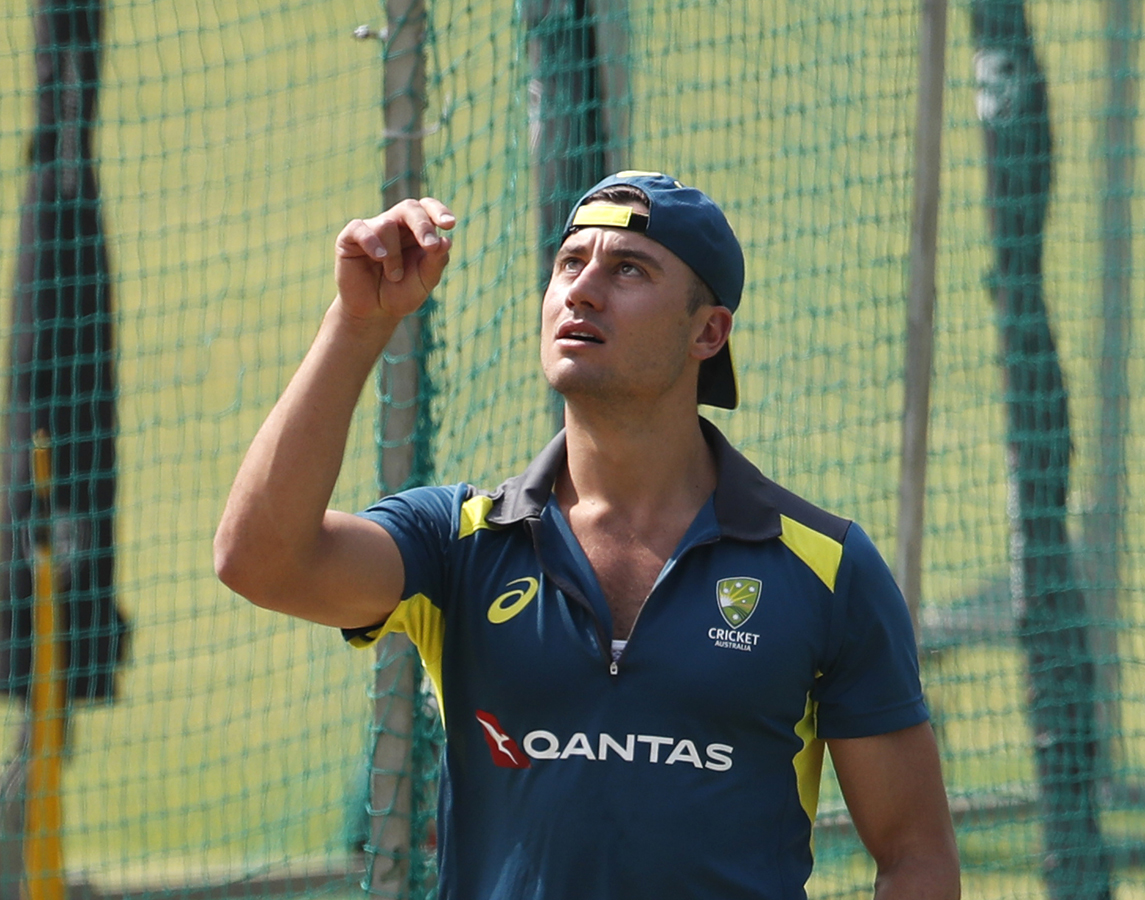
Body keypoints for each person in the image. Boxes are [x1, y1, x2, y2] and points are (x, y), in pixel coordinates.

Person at [214, 171, 960, 900]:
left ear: (709, 331)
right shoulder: (458, 541)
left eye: (629, 268)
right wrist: (359, 321)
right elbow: (259, 561)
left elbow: (915, 859)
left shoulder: (827, 569)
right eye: (570, 262)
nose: (582, 288)